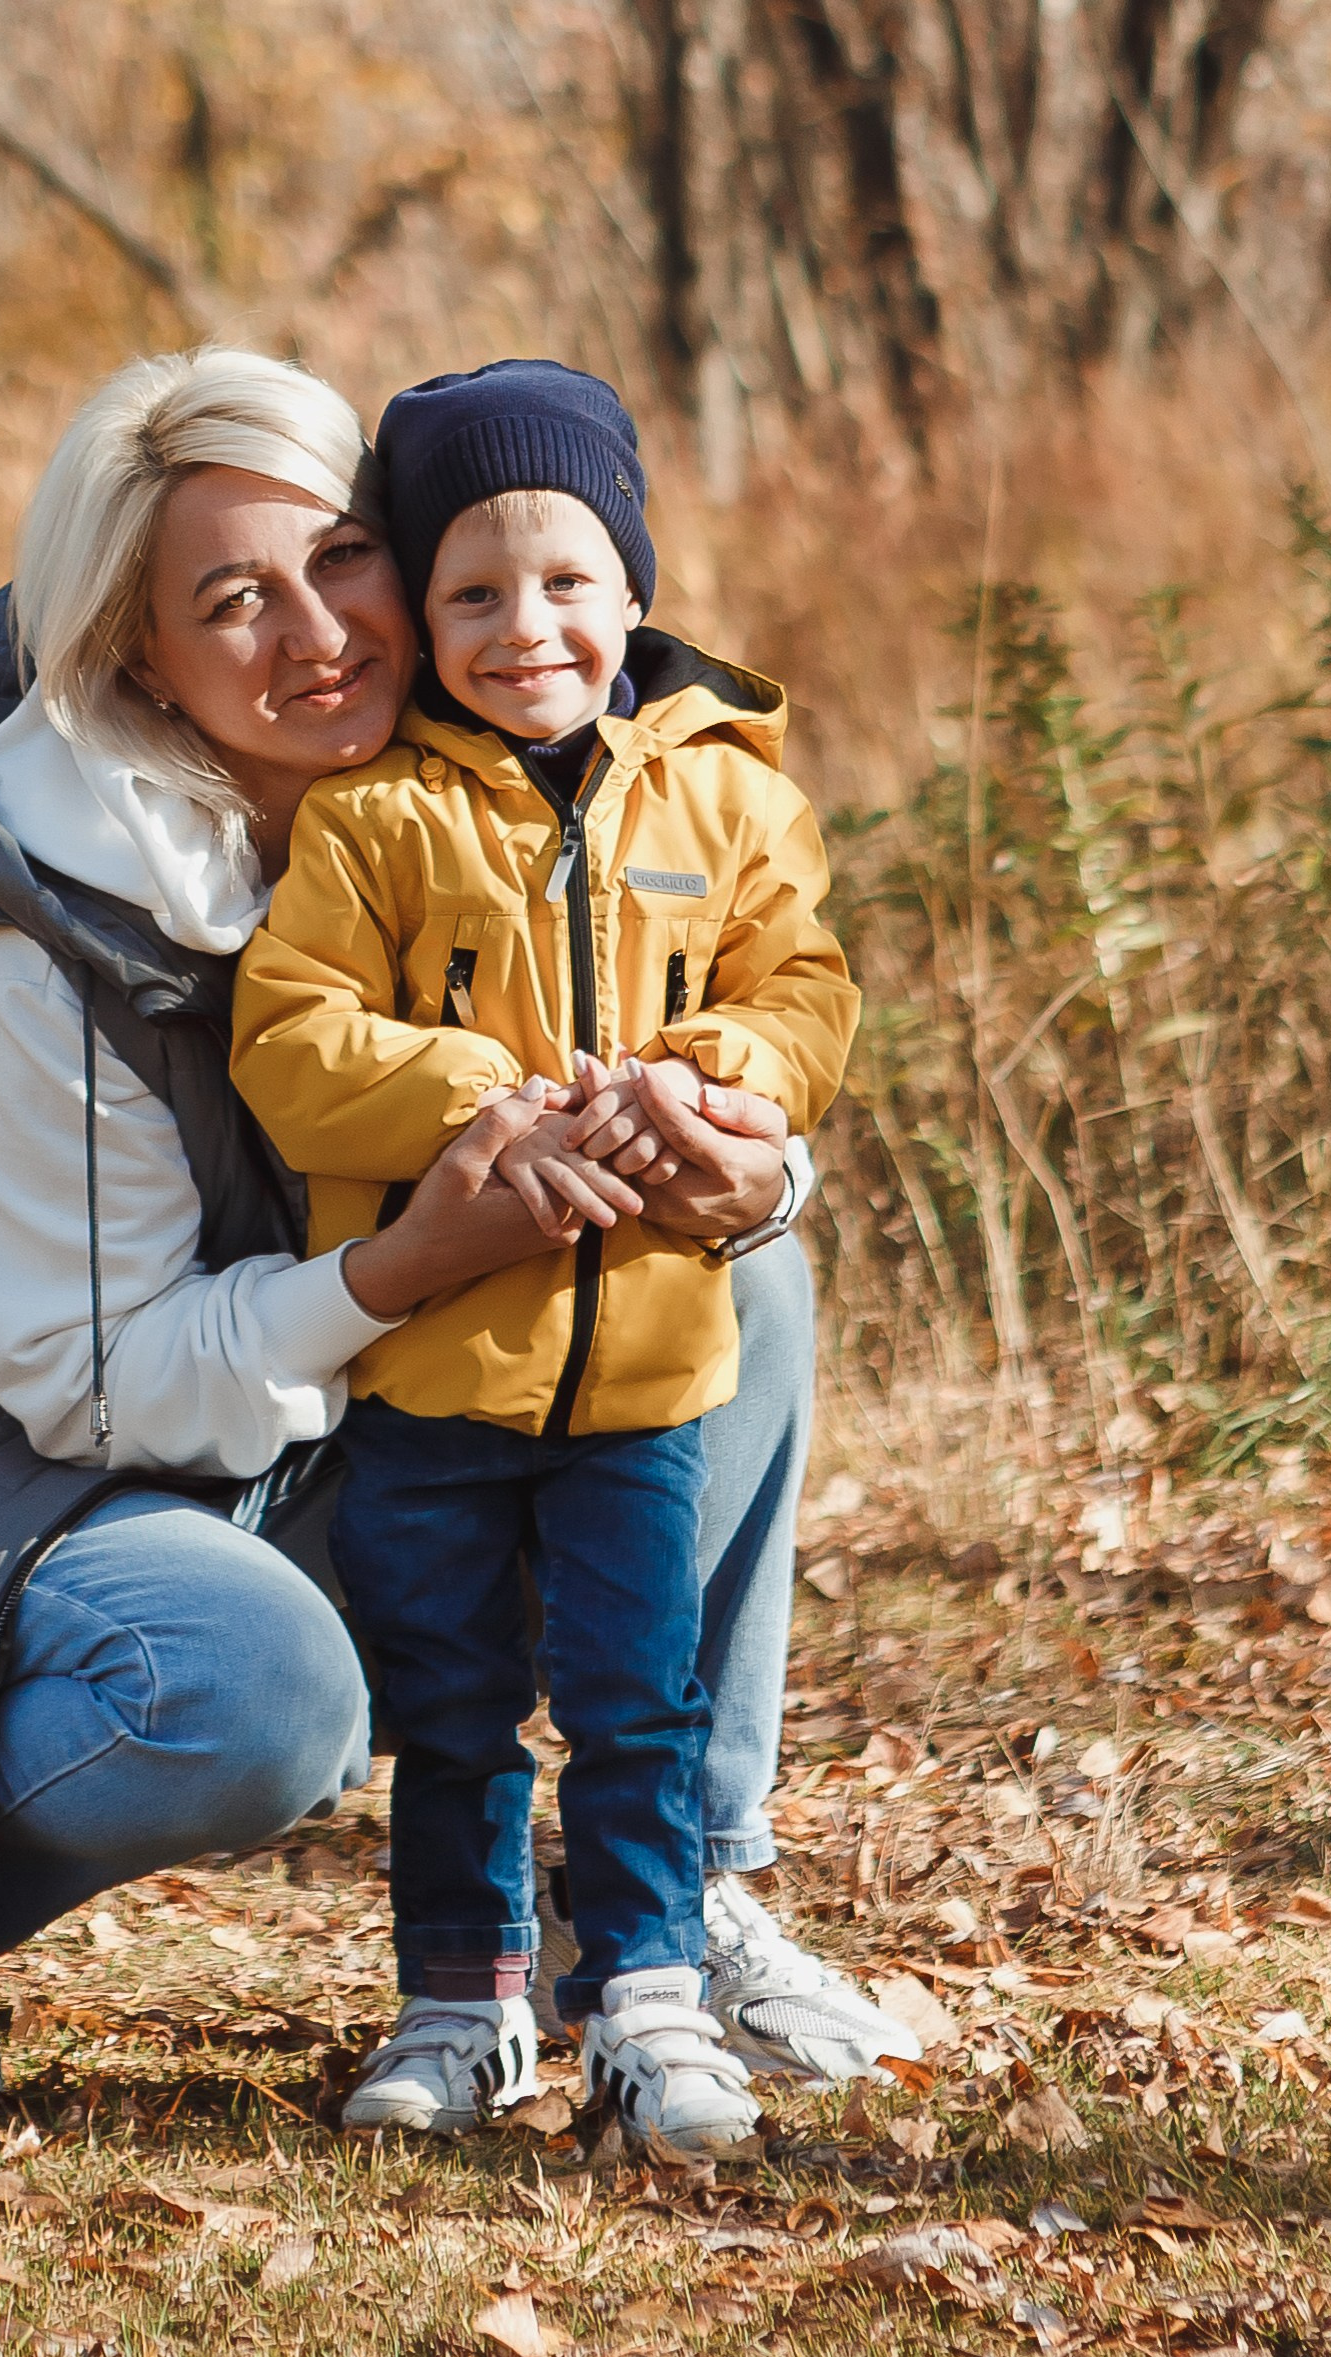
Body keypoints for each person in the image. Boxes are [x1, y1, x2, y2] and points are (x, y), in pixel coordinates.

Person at [0, 347, 904, 2114]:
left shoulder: (452, 803)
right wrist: (415, 1264)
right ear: (138, 654)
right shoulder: (21, 940)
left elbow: (750, 1003)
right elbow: (97, 1390)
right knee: (252, 1692)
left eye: (344, 558)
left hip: (282, 1393)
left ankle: (671, 1888)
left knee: (742, 1281)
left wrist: (751, 1172)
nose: (321, 632)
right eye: (232, 599)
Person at [232, 360, 861, 2148]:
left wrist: (716, 1076)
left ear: (635, 590)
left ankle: (649, 1995)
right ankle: (464, 2002)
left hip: (647, 1370)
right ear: (422, 619)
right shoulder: (374, 818)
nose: (526, 628)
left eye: (569, 581)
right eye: (474, 594)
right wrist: (482, 1097)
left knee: (639, 1700)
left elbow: (803, 991)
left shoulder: (731, 796)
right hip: (436, 1370)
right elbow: (290, 1042)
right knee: (451, 1711)